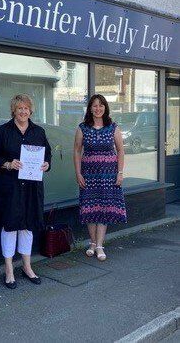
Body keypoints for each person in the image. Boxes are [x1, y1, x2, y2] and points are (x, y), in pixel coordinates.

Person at [0, 94, 51, 289]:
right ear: (13, 110)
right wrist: (8, 164)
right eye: (19, 108)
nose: (23, 112)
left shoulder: (38, 132)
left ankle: (27, 266)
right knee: (9, 227)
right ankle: (9, 270)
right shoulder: (1, 132)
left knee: (27, 226)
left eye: (26, 108)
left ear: (31, 111)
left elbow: (47, 154)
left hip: (31, 187)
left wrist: (46, 164)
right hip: (9, 188)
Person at [73, 94, 127, 261]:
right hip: (88, 174)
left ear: (105, 108)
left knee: (103, 208)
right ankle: (93, 242)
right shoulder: (83, 128)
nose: (98, 108)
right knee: (90, 208)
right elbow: (76, 150)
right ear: (90, 108)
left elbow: (120, 151)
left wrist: (119, 172)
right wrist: (78, 173)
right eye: (94, 106)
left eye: (101, 105)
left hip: (108, 175)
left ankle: (99, 246)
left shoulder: (113, 127)